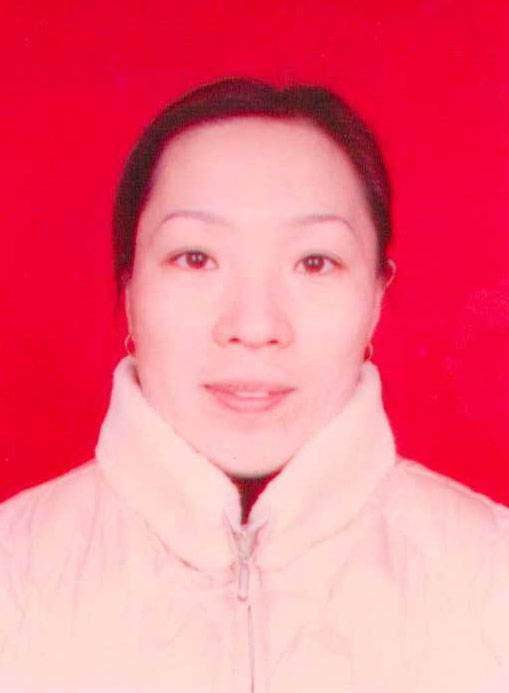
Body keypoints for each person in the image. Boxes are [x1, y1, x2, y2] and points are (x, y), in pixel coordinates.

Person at [1, 78, 508, 693]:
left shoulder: (492, 575)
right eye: (195, 258)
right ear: (129, 288)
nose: (255, 326)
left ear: (378, 294)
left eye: (314, 262)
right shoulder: (13, 574)